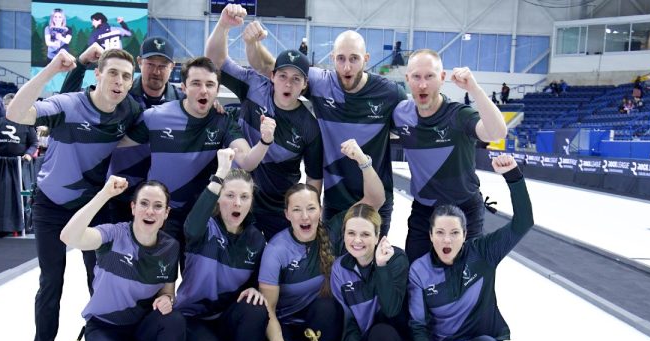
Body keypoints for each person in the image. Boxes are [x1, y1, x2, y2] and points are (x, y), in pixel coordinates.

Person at [6, 48, 142, 341]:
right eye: (113, 73)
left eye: (127, 76)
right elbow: (15, 112)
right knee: (52, 285)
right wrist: (51, 68)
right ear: (98, 74)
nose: (120, 82)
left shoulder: (130, 110)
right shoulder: (68, 104)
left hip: (93, 206)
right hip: (51, 206)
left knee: (101, 284)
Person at [409, 154, 533, 341]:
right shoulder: (419, 270)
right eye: (440, 232)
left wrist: (513, 177)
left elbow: (524, 222)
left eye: (454, 233)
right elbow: (417, 325)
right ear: (430, 235)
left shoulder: (483, 252)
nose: (447, 239)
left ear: (465, 235)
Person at [244, 24, 407, 236]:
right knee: (331, 268)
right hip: (334, 202)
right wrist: (252, 42)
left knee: (372, 266)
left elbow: (417, 123)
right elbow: (269, 66)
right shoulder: (321, 83)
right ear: (332, 58)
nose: (347, 67)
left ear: (366, 59)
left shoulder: (390, 93)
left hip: (375, 202)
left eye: (354, 59)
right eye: (341, 58)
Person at [255, 139, 384, 341]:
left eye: (311, 209)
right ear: (287, 214)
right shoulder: (276, 250)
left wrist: (362, 160)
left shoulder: (334, 230)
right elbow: (268, 309)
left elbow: (375, 199)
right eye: (298, 210)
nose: (305, 216)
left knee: (326, 306)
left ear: (320, 210)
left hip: (324, 326)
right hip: (288, 328)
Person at [120, 56, 270, 274]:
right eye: (196, 84)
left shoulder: (223, 120)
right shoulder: (155, 117)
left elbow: (246, 162)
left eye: (210, 85)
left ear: (217, 89)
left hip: (201, 218)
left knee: (194, 281)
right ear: (183, 87)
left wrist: (265, 141)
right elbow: (119, 144)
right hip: (164, 214)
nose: (204, 91)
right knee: (155, 281)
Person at [59, 177, 184, 341]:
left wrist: (167, 298)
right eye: (144, 204)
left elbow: (168, 289)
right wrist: (104, 194)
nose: (150, 211)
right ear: (133, 208)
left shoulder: (170, 247)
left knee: (174, 320)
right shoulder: (112, 235)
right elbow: (68, 236)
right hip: (105, 327)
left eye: (158, 206)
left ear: (166, 213)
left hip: (139, 326)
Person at [205, 3, 323, 239]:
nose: (288, 84)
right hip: (237, 197)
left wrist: (307, 214)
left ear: (305, 85)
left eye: (296, 79)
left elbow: (313, 178)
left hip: (277, 209)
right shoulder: (254, 86)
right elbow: (215, 60)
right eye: (282, 76)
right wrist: (224, 25)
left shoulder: (309, 127)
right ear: (272, 76)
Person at [174, 148, 268, 341]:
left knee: (255, 309)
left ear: (251, 201)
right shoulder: (202, 228)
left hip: (226, 318)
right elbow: (190, 226)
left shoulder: (256, 239)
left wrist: (255, 290)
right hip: (193, 318)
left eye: (244, 196)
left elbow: (256, 284)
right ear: (218, 199)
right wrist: (220, 175)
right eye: (229, 195)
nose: (236, 203)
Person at [394, 49, 507, 262]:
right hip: (423, 211)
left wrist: (474, 88)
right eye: (416, 77)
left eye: (430, 76)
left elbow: (498, 132)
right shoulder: (400, 114)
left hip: (464, 209)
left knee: (468, 278)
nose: (423, 84)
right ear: (407, 79)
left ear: (442, 78)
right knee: (414, 275)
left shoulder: (458, 115)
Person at [61, 38, 183, 222]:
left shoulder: (181, 104)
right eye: (150, 64)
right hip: (119, 192)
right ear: (140, 62)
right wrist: (82, 62)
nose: (156, 71)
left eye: (163, 65)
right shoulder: (120, 93)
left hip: (160, 198)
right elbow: (68, 102)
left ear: (172, 67)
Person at [329, 204, 410, 341]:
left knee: (382, 332)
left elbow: (392, 308)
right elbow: (347, 320)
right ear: (343, 234)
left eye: (365, 234)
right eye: (351, 233)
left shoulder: (396, 259)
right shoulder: (340, 268)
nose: (357, 240)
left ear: (378, 237)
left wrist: (381, 266)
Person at [0, 93, 38, 159]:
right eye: (8, 105)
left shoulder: (27, 123)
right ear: (4, 106)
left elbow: (34, 143)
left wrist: (28, 154)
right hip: (0, 161)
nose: (12, 107)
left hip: (20, 162)